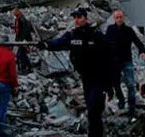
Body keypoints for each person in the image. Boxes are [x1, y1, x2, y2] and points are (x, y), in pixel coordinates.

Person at [37, 8, 110, 137]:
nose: (76, 20)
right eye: (75, 17)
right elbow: (58, 43)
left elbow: (111, 56)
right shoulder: (72, 35)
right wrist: (45, 45)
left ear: (85, 18)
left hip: (100, 78)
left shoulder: (96, 35)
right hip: (86, 78)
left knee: (94, 109)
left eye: (79, 17)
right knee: (91, 109)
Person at [105, 10, 145, 117]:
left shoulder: (128, 30)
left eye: (120, 17)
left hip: (127, 60)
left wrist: (143, 51)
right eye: (117, 17)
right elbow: (105, 44)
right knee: (116, 84)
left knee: (131, 85)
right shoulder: (110, 29)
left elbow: (137, 41)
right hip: (114, 62)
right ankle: (121, 102)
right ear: (114, 18)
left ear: (123, 18)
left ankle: (131, 107)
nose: (119, 19)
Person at [0, 35, 18, 137]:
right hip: (5, 84)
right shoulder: (10, 56)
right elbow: (13, 74)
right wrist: (15, 85)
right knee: (2, 107)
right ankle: (0, 130)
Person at [13, 9, 33, 74]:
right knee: (21, 54)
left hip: (23, 40)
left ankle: (26, 67)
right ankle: (24, 67)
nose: (13, 14)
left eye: (14, 12)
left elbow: (24, 31)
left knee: (21, 54)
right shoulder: (20, 18)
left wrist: (21, 40)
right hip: (21, 39)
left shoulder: (21, 19)